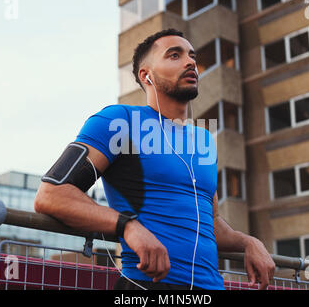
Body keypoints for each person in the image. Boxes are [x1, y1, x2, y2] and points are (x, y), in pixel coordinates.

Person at [34, 28, 275, 290]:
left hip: (211, 287)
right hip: (147, 285)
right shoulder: (119, 121)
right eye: (174, 55)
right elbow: (51, 194)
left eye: (192, 56)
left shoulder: (203, 140)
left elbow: (211, 222)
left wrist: (249, 242)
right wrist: (127, 226)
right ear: (145, 75)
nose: (190, 62)